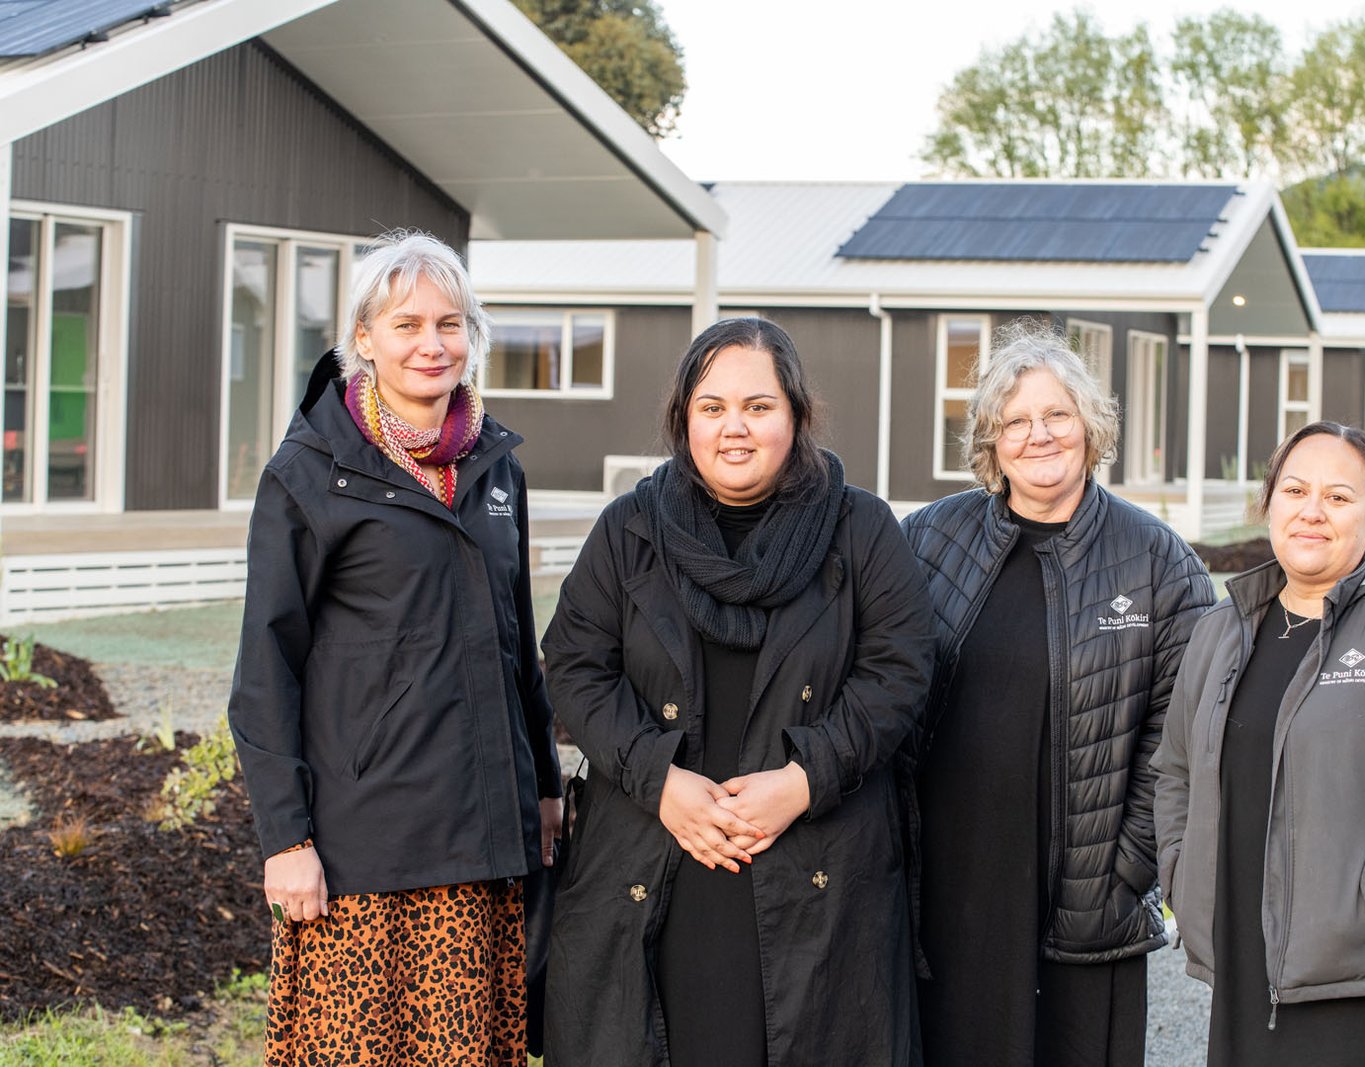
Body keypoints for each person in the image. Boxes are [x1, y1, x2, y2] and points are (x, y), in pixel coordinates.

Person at [539, 317, 936, 1066]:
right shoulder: (631, 530)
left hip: (816, 864)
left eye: (759, 406)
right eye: (712, 407)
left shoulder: (861, 529)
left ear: (796, 415)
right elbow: (574, 662)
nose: (735, 428)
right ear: (683, 418)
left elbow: (901, 668)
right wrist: (658, 780)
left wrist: (805, 778)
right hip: (656, 858)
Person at [227, 231, 563, 1066]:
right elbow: (265, 672)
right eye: (407, 323)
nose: (432, 343)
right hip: (362, 848)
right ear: (363, 339)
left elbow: (517, 643)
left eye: (451, 323)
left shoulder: (495, 469)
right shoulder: (308, 475)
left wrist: (546, 788)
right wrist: (285, 840)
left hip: (482, 838)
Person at [900, 320, 1216, 1066]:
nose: (1038, 435)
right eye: (1016, 420)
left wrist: (1126, 867)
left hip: (1086, 890)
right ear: (990, 440)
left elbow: (1188, 732)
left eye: (1057, 415)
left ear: (1090, 427)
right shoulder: (927, 542)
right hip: (954, 886)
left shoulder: (1156, 560)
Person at [1152, 421, 1365, 1067]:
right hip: (1243, 959)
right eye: (1295, 490)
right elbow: (1174, 769)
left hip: (1360, 967)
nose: (1312, 511)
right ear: (1269, 504)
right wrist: (1181, 868)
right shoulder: (1221, 633)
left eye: (1338, 497)